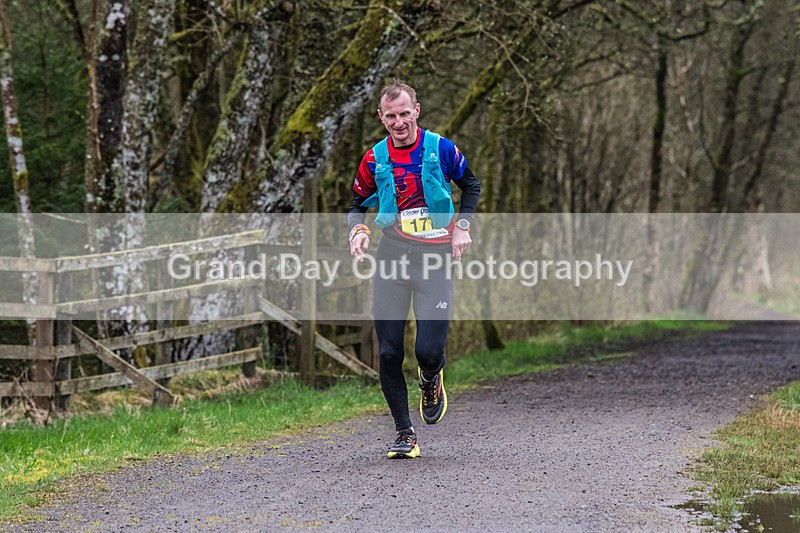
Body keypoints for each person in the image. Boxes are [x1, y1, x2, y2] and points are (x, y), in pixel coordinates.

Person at [347, 79, 481, 458]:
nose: (398, 122)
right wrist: (357, 229)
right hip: (392, 255)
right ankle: (405, 434)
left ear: (416, 111)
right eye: (391, 116)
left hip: (436, 259)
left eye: (405, 113)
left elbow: (472, 186)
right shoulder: (374, 158)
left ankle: (430, 377)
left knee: (427, 349)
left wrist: (463, 227)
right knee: (388, 352)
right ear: (381, 117)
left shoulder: (441, 148)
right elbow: (356, 202)